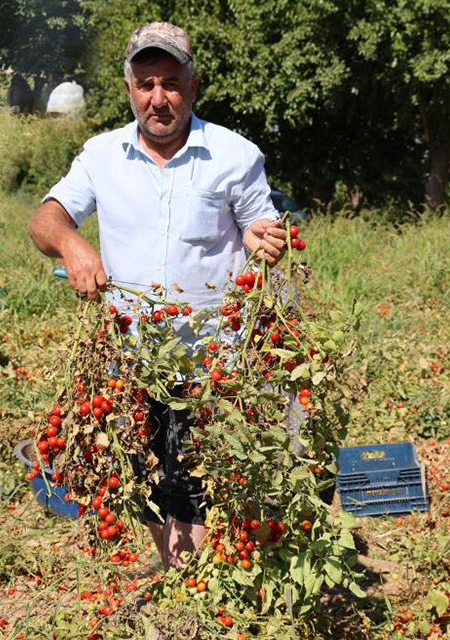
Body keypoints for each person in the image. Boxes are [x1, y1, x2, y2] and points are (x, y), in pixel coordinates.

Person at [26, 22, 289, 570]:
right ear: (129, 88)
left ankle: (194, 581)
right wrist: (72, 245)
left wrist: (261, 238)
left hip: (213, 358)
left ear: (193, 87)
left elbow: (260, 227)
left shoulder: (235, 155)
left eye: (170, 82)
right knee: (145, 471)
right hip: (130, 358)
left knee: (199, 478)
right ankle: (175, 572)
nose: (158, 98)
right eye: (146, 83)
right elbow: (44, 220)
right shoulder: (101, 155)